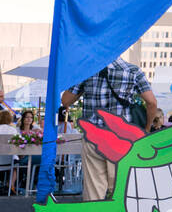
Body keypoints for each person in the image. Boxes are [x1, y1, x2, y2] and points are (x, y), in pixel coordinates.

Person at [61, 58, 158, 201]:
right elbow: (151, 102)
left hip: (93, 136)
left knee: (94, 189)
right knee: (121, 188)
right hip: (122, 139)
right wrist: (147, 128)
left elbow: (65, 101)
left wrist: (85, 89)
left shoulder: (87, 69)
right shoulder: (133, 70)